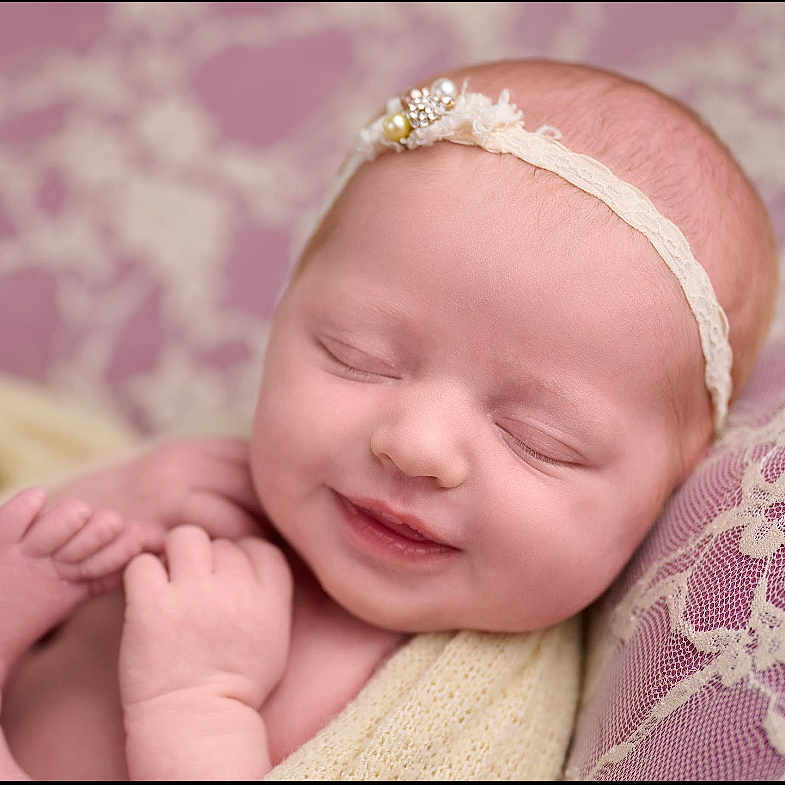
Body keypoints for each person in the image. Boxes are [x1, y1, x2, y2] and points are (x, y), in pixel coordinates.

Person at [0, 59, 778, 779]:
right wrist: (73, 525)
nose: (414, 445)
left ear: (667, 488)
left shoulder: (477, 727)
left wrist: (196, 711)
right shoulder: (191, 482)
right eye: (355, 355)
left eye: (538, 439)